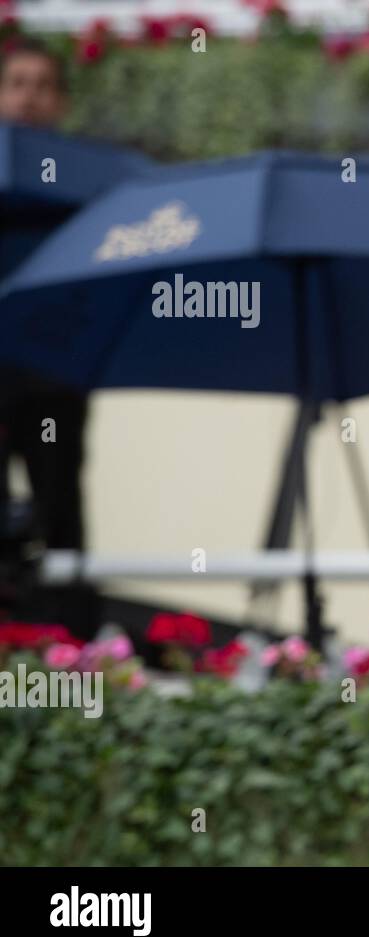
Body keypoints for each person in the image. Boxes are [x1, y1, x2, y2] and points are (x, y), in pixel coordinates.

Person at [0, 37, 89, 552]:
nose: (28, 99)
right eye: (16, 84)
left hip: (53, 374)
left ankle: (70, 632)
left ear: (61, 103)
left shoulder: (83, 185)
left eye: (42, 86)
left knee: (60, 516)